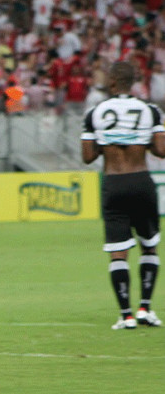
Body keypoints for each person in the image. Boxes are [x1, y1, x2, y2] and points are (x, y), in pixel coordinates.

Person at [81, 61, 165, 330]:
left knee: (118, 252)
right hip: (141, 181)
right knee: (148, 245)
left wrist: (110, 143)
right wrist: (140, 141)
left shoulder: (95, 112)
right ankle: (146, 309)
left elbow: (87, 156)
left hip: (113, 184)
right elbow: (161, 151)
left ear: (114, 82)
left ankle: (126, 315)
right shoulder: (150, 111)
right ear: (135, 82)